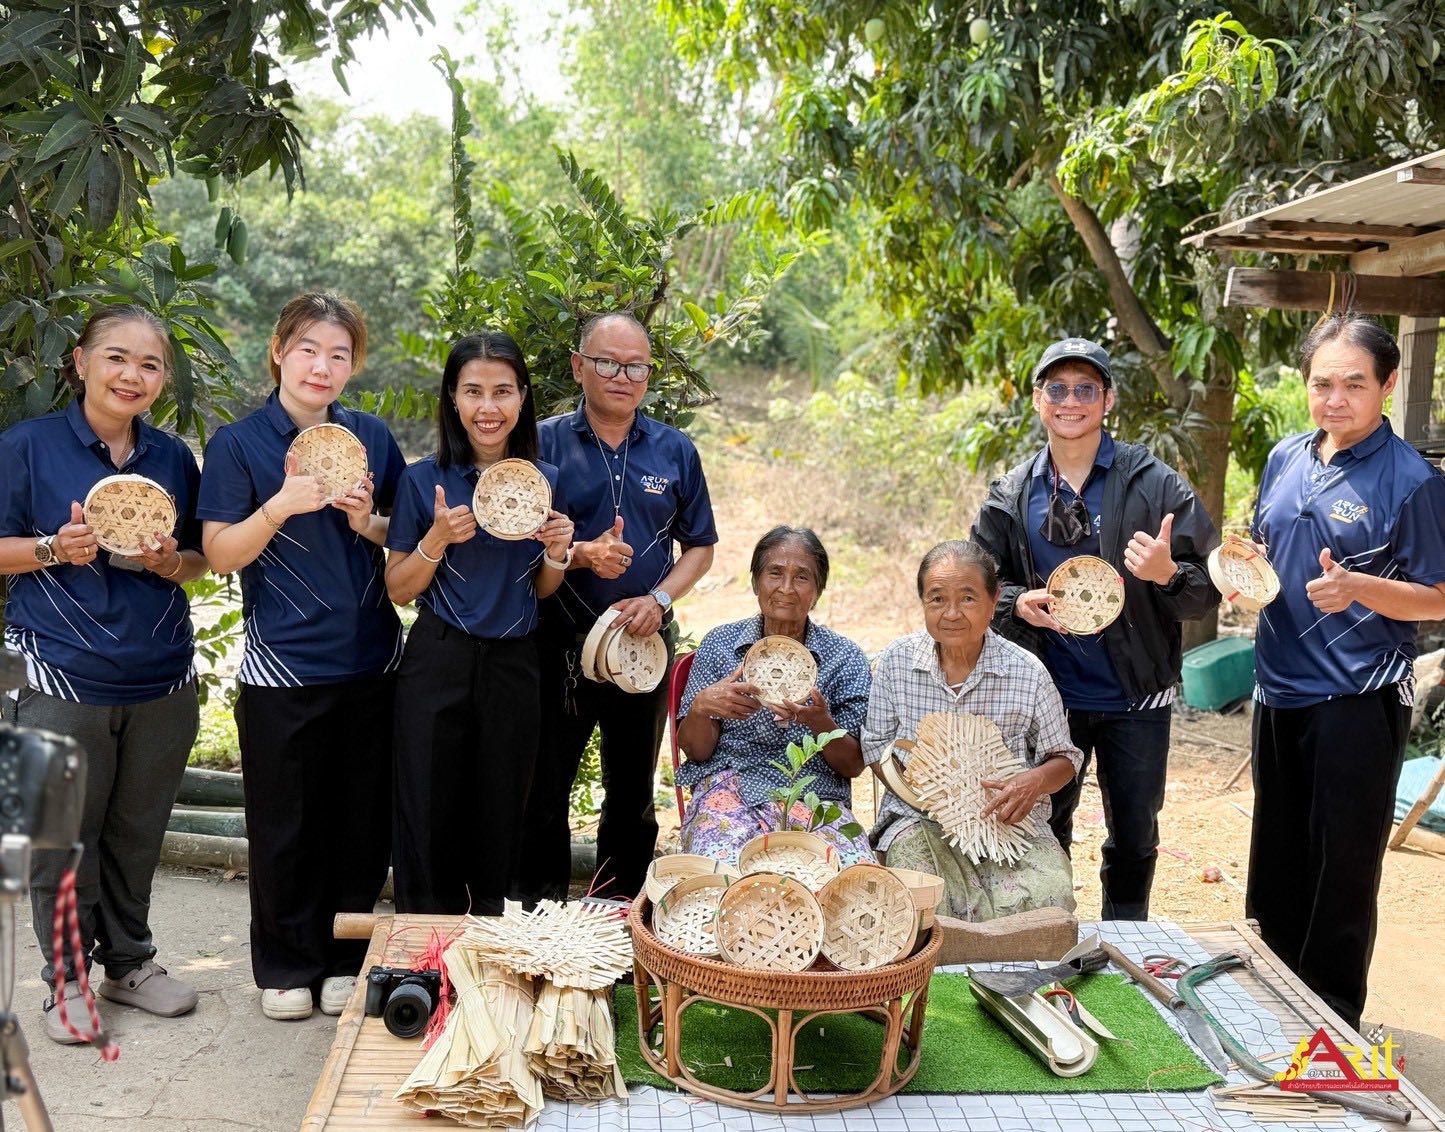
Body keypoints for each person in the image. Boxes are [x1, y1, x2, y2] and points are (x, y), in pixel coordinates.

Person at [0, 305, 208, 1043]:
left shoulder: (172, 458)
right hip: (60, 673)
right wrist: (53, 548)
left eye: (150, 364)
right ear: (81, 361)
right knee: (61, 838)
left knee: (136, 832)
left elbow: (198, 559)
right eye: (117, 357)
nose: (132, 375)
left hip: (160, 675)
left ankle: (128, 963)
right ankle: (65, 981)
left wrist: (170, 561)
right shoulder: (26, 447)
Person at [198, 292, 405, 1022]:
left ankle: (346, 959)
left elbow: (405, 536)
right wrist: (281, 504)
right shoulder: (239, 444)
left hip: (372, 661)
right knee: (285, 825)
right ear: (279, 352)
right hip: (281, 668)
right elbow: (219, 553)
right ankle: (287, 965)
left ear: (353, 365)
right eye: (309, 349)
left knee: (361, 823)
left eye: (339, 354)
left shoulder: (371, 437)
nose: (322, 366)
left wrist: (367, 519)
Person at [970, 336, 1219, 920]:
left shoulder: (1155, 484)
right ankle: (1048, 933)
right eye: (1057, 389)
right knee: (1041, 827)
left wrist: (1165, 574)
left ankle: (1124, 942)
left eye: (1086, 389)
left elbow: (1209, 588)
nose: (1071, 402)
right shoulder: (1012, 493)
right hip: (1046, 698)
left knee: (1133, 835)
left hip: (1138, 695)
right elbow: (979, 582)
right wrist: (1016, 603)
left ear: (1108, 400)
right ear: (1038, 399)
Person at [1247, 314, 1445, 1031]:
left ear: (1387, 386)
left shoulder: (1414, 481)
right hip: (1277, 686)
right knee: (1276, 858)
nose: (1334, 399)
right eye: (1320, 383)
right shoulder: (1285, 458)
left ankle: (1329, 1021)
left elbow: (1438, 597)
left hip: (1357, 696)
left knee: (1342, 869)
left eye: (1353, 385)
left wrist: (1360, 587)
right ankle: (1267, 1002)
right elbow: (1264, 550)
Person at [519, 311, 717, 902]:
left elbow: (700, 547)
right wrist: (581, 554)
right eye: (607, 363)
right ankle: (541, 917)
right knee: (543, 787)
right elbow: (513, 539)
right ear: (578, 366)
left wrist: (660, 598)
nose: (621, 377)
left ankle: (618, 916)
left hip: (643, 645)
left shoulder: (675, 450)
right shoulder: (540, 443)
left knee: (632, 791)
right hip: (558, 641)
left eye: (635, 367)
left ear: (649, 375)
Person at [385, 332, 573, 914]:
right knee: (427, 806)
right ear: (452, 397)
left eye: (502, 392)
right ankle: (424, 946)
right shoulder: (424, 480)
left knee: (502, 808)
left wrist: (559, 553)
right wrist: (437, 538)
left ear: (522, 398)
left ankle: (489, 941)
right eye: (473, 391)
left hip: (515, 662)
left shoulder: (545, 480)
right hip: (439, 657)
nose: (487, 408)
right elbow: (398, 587)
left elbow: (539, 589)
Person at [862, 541, 1080, 920]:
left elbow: (1064, 759)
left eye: (967, 598)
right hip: (920, 820)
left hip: (1009, 824)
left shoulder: (1026, 671)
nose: (951, 613)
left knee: (1049, 899)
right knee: (928, 903)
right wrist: (927, 793)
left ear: (994, 601)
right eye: (937, 599)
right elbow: (876, 745)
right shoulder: (897, 661)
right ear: (923, 602)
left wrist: (1032, 782)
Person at [675, 527, 873, 864]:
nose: (786, 588)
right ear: (756, 582)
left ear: (818, 590)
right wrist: (701, 707)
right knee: (719, 873)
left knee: (850, 874)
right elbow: (696, 750)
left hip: (815, 797)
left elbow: (852, 765)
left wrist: (820, 723)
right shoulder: (721, 644)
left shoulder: (844, 657)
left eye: (802, 577)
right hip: (730, 789)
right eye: (775, 573)